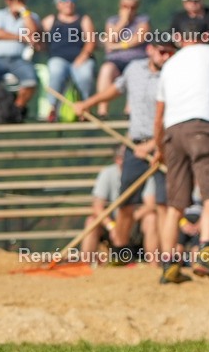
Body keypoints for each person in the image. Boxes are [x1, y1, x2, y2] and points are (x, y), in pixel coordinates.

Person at [154, 23, 209, 285]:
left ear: (178, 38)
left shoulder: (168, 65)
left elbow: (158, 118)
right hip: (201, 127)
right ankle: (206, 250)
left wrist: (160, 150)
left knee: (176, 203)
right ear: (205, 36)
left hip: (172, 132)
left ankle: (169, 264)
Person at [74, 39, 175, 262]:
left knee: (162, 203)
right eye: (161, 52)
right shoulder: (134, 70)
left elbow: (176, 113)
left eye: (170, 52)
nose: (165, 57)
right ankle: (120, 253)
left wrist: (153, 145)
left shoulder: (174, 75)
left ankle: (164, 258)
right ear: (150, 50)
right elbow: (115, 89)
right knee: (125, 201)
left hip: (165, 145)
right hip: (134, 145)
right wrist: (89, 103)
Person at [42, 0, 96, 122]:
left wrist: (83, 57)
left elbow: (91, 41)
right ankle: (52, 108)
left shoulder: (83, 20)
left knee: (86, 74)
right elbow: (37, 37)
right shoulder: (50, 21)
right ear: (57, 4)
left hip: (80, 58)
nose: (68, 3)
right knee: (56, 71)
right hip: (58, 59)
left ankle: (86, 107)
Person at [0, 0, 41, 119]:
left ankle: (16, 111)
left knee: (31, 82)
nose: (16, 1)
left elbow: (33, 34)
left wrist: (24, 12)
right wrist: (21, 37)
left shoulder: (31, 16)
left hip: (18, 60)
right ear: (7, 0)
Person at [96, 0, 150, 118]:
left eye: (133, 7)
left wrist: (118, 46)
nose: (129, 10)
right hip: (115, 61)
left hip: (137, 60)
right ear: (120, 5)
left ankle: (129, 111)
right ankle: (102, 110)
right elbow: (109, 39)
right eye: (126, 6)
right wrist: (122, 22)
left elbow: (139, 38)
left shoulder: (143, 20)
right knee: (106, 70)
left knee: (134, 71)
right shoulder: (112, 21)